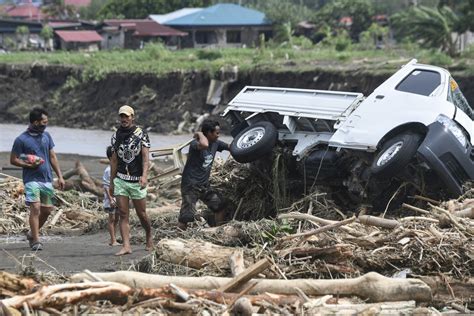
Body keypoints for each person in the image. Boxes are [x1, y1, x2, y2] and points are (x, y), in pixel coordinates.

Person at [10, 108, 65, 251]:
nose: (46, 125)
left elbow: (52, 157)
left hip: (46, 179)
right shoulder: (21, 139)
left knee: (47, 210)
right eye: (44, 122)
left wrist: (60, 176)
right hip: (31, 179)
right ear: (35, 122)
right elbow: (13, 160)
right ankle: (36, 240)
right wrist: (27, 164)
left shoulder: (46, 136)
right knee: (35, 208)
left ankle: (31, 233)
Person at [109, 105, 153, 256]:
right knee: (123, 213)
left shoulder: (141, 134)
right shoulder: (115, 136)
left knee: (142, 214)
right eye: (122, 116)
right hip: (121, 180)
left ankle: (148, 235)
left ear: (132, 117)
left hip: (136, 180)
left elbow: (146, 159)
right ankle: (126, 246)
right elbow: (114, 161)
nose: (124, 119)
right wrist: (111, 182)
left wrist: (144, 176)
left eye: (127, 116)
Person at [178, 119, 229, 230]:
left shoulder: (216, 143)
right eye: (216, 133)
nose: (218, 135)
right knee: (186, 216)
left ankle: (218, 232)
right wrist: (200, 133)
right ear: (209, 133)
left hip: (204, 186)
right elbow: (204, 144)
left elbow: (231, 147)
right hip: (190, 186)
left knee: (219, 205)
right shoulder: (195, 144)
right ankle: (177, 237)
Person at [103, 146, 120, 246]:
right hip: (111, 199)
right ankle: (113, 240)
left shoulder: (117, 169)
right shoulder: (108, 170)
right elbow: (106, 186)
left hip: (118, 197)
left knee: (117, 218)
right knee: (112, 218)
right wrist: (111, 199)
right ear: (110, 158)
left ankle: (114, 238)